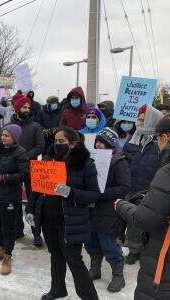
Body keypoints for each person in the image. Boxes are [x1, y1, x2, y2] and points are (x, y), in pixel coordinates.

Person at [26, 127, 100, 300]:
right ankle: (58, 289)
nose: (57, 144)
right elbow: (37, 188)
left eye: (62, 142)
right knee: (56, 256)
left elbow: (94, 194)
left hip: (70, 220)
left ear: (73, 144)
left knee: (74, 260)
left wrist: (71, 192)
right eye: (56, 141)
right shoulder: (48, 160)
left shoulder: (85, 164)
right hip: (48, 217)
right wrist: (30, 209)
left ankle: (89, 297)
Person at [115, 116, 170, 300]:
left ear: (166, 137)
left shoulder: (167, 170)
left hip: (163, 259)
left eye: (157, 139)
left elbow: (143, 219)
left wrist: (120, 205)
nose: (157, 144)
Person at [85, 128, 131, 293]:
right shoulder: (89, 159)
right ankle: (95, 267)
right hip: (90, 208)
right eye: (97, 141)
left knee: (109, 243)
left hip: (108, 210)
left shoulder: (119, 162)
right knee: (90, 240)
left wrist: (101, 193)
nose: (98, 144)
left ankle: (118, 275)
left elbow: (124, 187)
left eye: (102, 142)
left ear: (110, 144)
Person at [0, 124, 29, 275]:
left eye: (7, 135)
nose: (3, 137)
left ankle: (8, 256)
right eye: (2, 135)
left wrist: (5, 178)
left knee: (7, 228)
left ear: (14, 138)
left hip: (10, 196)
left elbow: (25, 175)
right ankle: (0, 248)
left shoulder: (20, 153)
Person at [122, 104, 163, 265]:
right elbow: (123, 158)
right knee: (131, 220)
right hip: (129, 185)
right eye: (138, 119)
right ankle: (133, 248)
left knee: (143, 221)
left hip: (149, 189)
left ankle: (141, 250)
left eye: (143, 120)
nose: (139, 123)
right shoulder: (133, 139)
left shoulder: (160, 142)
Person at [9, 96, 45, 241]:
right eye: (24, 107)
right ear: (17, 108)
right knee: (14, 199)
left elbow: (40, 146)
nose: (27, 110)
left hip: (31, 167)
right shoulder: (10, 125)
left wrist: (24, 156)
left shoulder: (35, 126)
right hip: (13, 167)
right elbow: (3, 143)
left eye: (28, 108)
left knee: (33, 200)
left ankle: (36, 232)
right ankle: (17, 229)